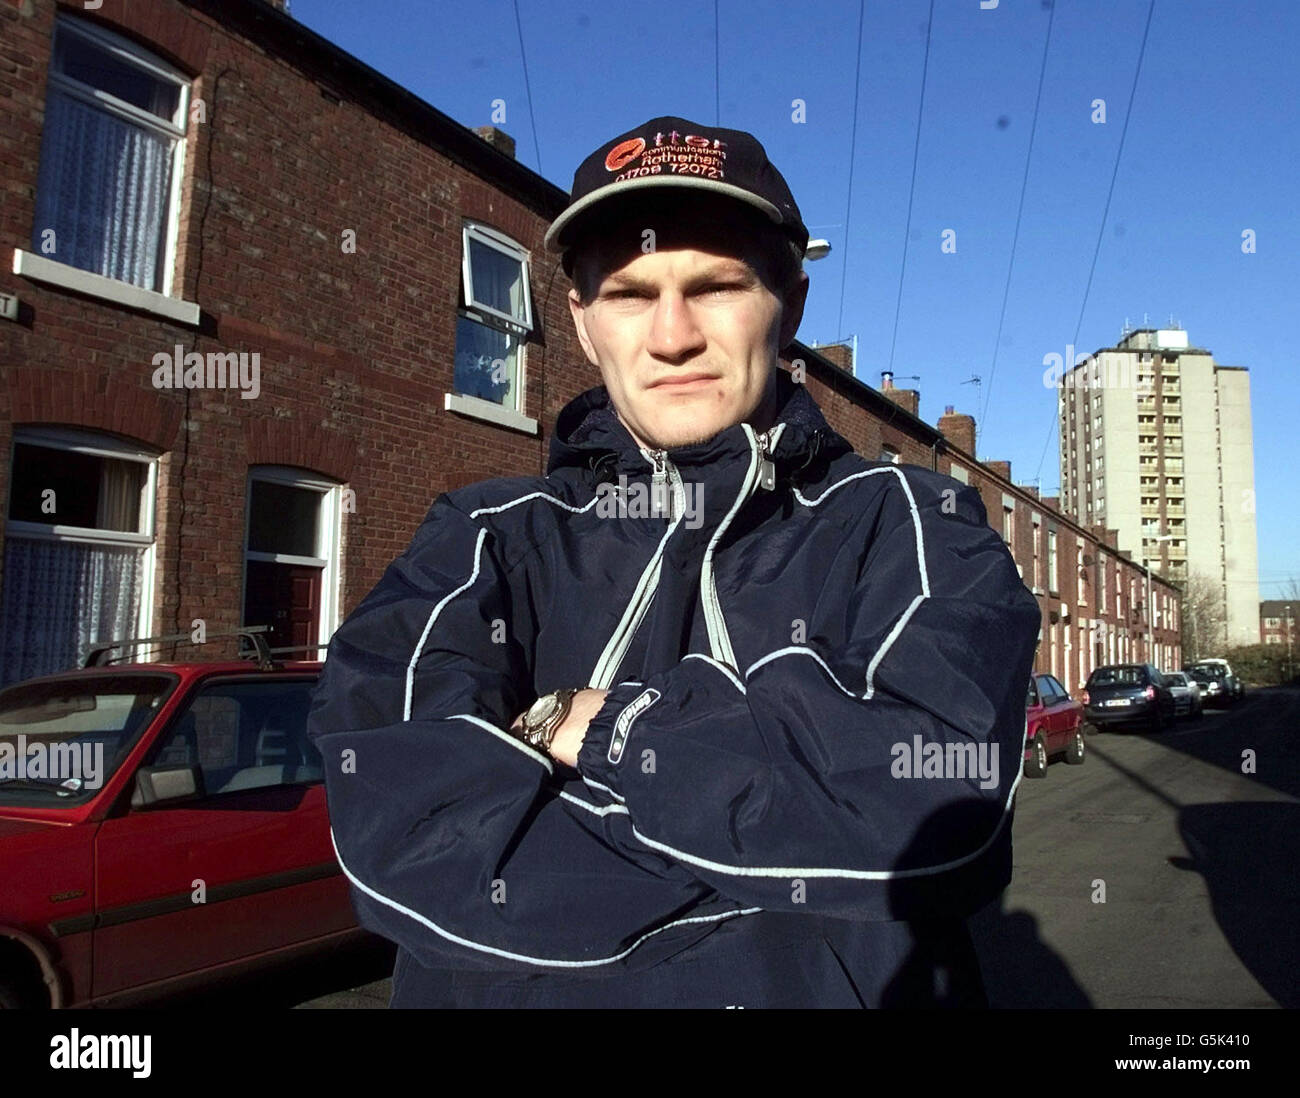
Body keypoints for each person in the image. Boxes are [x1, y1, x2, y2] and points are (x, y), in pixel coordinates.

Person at [306, 115, 1042, 1008]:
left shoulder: (914, 525)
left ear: (791, 305)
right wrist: (780, 840)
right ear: (580, 321)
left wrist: (605, 731)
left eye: (716, 285)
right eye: (628, 293)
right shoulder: (482, 536)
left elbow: (930, 805)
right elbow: (408, 830)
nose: (672, 336)